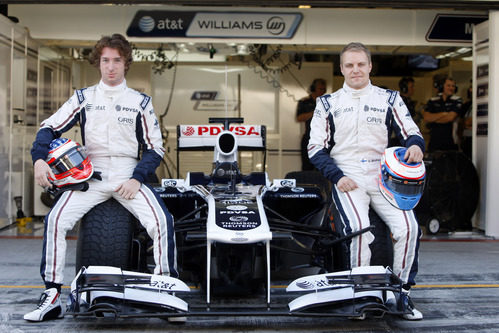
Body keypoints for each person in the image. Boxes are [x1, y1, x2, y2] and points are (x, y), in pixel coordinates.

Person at [24, 34, 178, 322]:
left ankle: (166, 292)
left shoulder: (140, 102)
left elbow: (155, 148)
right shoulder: (83, 98)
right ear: (98, 63)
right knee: (55, 220)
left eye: (117, 61)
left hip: (127, 175)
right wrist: (39, 160)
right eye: (105, 60)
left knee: (161, 221)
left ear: (126, 64)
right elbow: (48, 128)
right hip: (90, 176)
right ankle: (53, 294)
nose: (111, 67)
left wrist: (137, 178)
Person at [308, 42, 424, 320]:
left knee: (409, 228)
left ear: (370, 66)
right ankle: (361, 297)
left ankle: (401, 294)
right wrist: (338, 176)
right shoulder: (327, 103)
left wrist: (416, 145)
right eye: (349, 65)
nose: (355, 70)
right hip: (347, 176)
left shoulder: (389, 98)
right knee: (359, 230)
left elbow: (412, 131)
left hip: (383, 175)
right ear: (342, 69)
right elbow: (315, 148)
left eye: (361, 64)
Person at [423, 76, 463, 152]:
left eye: (453, 86)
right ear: (442, 87)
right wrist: (444, 114)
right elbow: (426, 117)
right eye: (448, 85)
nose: (451, 88)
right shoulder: (432, 100)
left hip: (450, 142)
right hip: (434, 142)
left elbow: (450, 118)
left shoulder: (457, 100)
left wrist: (434, 118)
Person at [296, 78, 327, 170]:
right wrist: (314, 112)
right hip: (308, 137)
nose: (322, 91)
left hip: (323, 138)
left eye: (323, 89)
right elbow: (299, 118)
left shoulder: (327, 102)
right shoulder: (304, 102)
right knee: (306, 166)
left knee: (321, 165)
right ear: (314, 89)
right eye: (320, 89)